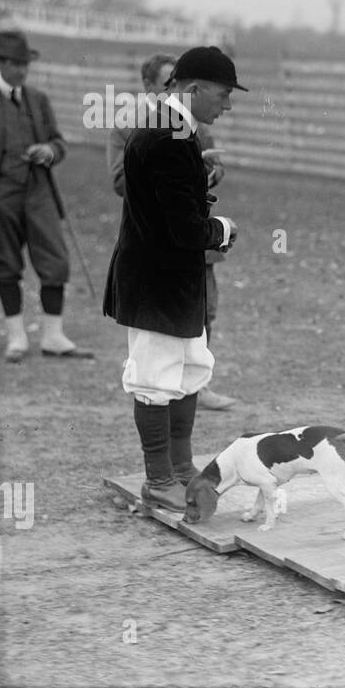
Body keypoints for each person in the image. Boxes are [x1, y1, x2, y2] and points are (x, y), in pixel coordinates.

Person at [103, 46, 244, 511]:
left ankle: (182, 468)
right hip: (154, 280)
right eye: (223, 95)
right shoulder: (167, 135)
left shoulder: (178, 131)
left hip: (176, 278)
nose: (226, 105)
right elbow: (182, 229)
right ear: (194, 87)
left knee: (189, 368)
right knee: (154, 377)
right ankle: (158, 477)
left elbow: (173, 206)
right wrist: (221, 230)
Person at [0, 29, 93, 363]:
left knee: (55, 260)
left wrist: (48, 150)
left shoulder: (38, 99)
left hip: (39, 191)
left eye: (25, 64)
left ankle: (54, 337)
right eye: (15, 63)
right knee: (6, 263)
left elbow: (59, 142)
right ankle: (16, 338)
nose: (21, 70)